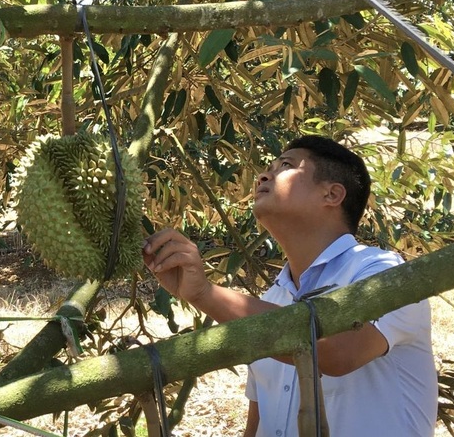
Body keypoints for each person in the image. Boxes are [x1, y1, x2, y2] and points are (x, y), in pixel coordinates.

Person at [143, 135, 437, 437]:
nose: (263, 175)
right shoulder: (272, 300)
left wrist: (205, 294)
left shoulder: (387, 275)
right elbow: (259, 420)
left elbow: (337, 354)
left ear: (332, 194)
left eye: (286, 165)